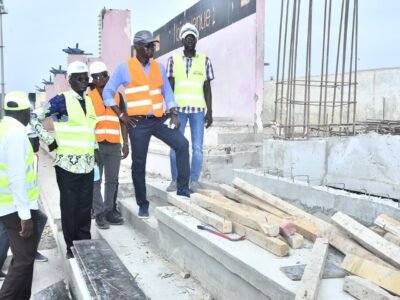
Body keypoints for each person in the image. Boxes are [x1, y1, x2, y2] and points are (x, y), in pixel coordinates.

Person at [102, 30, 192, 219]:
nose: (153, 48)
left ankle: (183, 189)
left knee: (182, 144)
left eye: (154, 45)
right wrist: (121, 115)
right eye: (149, 45)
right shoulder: (123, 68)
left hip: (158, 120)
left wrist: (173, 112)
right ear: (137, 48)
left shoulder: (158, 67)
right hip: (138, 123)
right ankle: (143, 204)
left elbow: (167, 92)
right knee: (139, 164)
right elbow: (107, 93)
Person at [33, 61, 99, 259]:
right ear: (69, 80)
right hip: (67, 166)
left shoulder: (88, 101)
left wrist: (95, 149)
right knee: (70, 207)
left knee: (85, 207)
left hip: (87, 164)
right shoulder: (61, 100)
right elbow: (34, 117)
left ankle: (84, 242)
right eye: (78, 78)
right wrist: (49, 141)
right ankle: (71, 247)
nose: (83, 81)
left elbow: (90, 129)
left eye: (85, 78)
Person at [0, 91, 39, 299]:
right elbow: (16, 177)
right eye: (29, 113)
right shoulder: (15, 134)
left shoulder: (3, 128)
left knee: (25, 256)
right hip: (14, 207)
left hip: (8, 204)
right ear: (24, 113)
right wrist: (25, 215)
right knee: (23, 259)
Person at [166, 23, 214, 192]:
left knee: (198, 148)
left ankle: (193, 180)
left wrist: (210, 112)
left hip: (198, 112)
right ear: (182, 41)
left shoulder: (205, 61)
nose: (190, 40)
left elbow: (207, 88)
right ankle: (176, 180)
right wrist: (170, 111)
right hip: (178, 112)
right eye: (187, 37)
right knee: (174, 146)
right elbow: (169, 87)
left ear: (196, 40)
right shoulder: (173, 60)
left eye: (192, 37)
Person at [88, 61, 128, 229]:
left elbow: (124, 121)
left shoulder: (118, 96)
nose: (100, 79)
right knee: (95, 181)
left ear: (108, 76)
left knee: (112, 180)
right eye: (96, 76)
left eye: (103, 75)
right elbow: (86, 125)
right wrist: (92, 147)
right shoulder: (88, 98)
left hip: (113, 146)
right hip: (95, 147)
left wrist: (125, 143)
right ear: (92, 79)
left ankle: (110, 210)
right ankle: (99, 213)